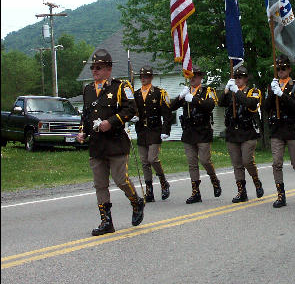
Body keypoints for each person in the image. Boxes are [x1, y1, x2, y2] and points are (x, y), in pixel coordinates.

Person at [77, 48, 145, 236]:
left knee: (120, 179)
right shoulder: (88, 90)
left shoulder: (120, 87)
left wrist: (112, 122)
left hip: (115, 142)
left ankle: (136, 201)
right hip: (97, 144)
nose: (94, 71)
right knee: (100, 184)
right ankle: (106, 221)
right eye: (93, 68)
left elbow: (131, 110)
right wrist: (82, 132)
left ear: (108, 69)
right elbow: (86, 115)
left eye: (98, 68)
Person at [265, 54, 295, 208]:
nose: (280, 71)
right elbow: (266, 108)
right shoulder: (272, 85)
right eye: (278, 68)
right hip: (277, 129)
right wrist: (273, 93)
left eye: (283, 68)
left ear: (289, 69)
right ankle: (281, 195)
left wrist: (282, 94)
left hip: (292, 128)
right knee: (276, 163)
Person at [170, 65, 222, 203]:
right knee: (192, 163)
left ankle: (214, 179)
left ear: (201, 77)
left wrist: (192, 99)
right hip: (188, 132)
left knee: (205, 160)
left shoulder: (207, 91)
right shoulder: (186, 91)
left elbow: (210, 105)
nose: (193, 78)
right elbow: (171, 107)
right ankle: (195, 192)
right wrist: (181, 96)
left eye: (196, 76)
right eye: (190, 76)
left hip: (202, 131)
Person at [218, 65, 264, 202]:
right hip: (233, 132)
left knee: (247, 161)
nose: (238, 79)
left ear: (246, 79)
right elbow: (220, 103)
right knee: (237, 164)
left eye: (240, 77)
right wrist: (226, 90)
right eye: (235, 77)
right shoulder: (232, 92)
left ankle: (256, 181)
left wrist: (236, 91)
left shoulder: (253, 91)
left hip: (248, 132)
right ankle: (241, 191)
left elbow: (250, 103)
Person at [133, 65, 172, 202]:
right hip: (142, 130)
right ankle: (149, 190)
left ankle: (163, 182)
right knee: (144, 162)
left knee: (152, 158)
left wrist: (166, 130)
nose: (144, 79)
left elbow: (167, 113)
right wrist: (133, 117)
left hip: (155, 130)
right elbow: (132, 110)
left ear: (151, 77)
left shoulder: (159, 93)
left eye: (147, 76)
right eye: (142, 76)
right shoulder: (136, 94)